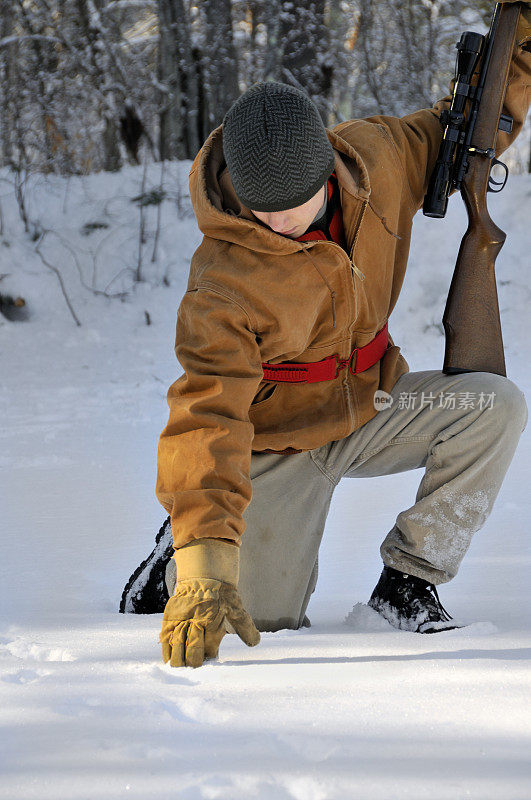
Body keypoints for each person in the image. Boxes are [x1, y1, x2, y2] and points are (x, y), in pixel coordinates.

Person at [154, 3, 531, 668]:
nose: (277, 220)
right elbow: (206, 417)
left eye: (294, 201)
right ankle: (181, 550)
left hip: (369, 408)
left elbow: (467, 132)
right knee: (262, 624)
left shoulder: (378, 158)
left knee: (493, 407)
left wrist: (519, 51)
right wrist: (206, 562)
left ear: (327, 168)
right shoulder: (219, 283)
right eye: (259, 207)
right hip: (274, 444)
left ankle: (409, 582)